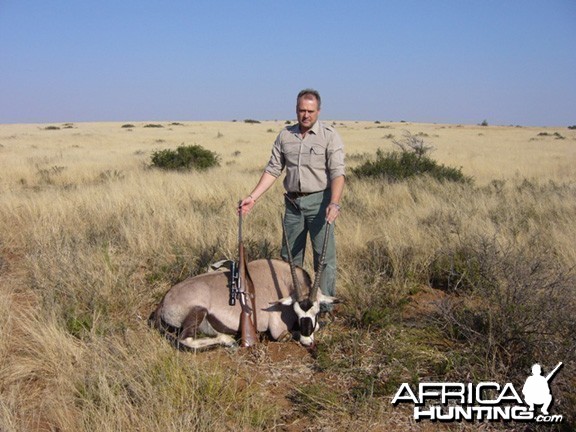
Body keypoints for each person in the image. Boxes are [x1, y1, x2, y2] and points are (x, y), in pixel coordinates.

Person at [239, 89, 345, 310]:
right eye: (301, 110)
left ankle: (322, 311)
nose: (305, 115)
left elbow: (337, 173)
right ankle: (293, 308)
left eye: (310, 111)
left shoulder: (329, 136)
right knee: (289, 260)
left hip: (320, 204)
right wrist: (252, 197)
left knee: (323, 259)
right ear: (296, 110)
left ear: (319, 111)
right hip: (293, 205)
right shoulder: (285, 136)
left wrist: (334, 203)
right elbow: (273, 169)